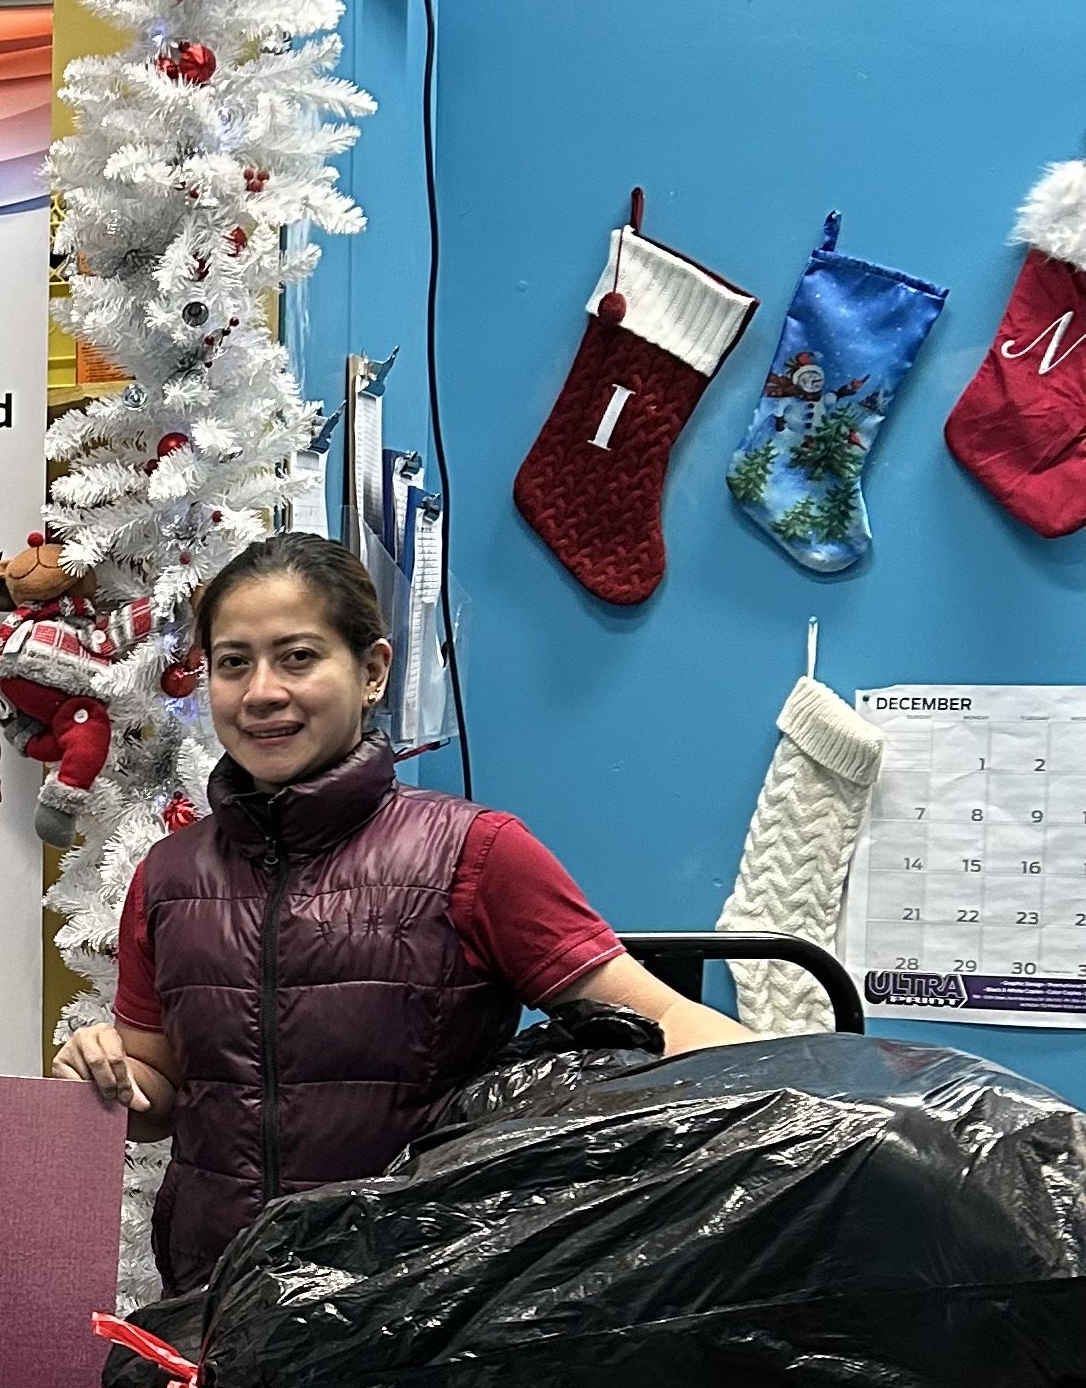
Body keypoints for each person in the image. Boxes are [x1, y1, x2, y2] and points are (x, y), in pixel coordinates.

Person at [53, 533, 739, 1292]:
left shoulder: (475, 852)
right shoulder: (168, 876)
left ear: (372, 670)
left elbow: (666, 1025)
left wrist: (854, 1103)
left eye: (299, 656)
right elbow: (163, 1092)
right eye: (234, 662)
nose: (262, 691)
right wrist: (112, 1074)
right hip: (220, 1304)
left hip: (421, 1315)